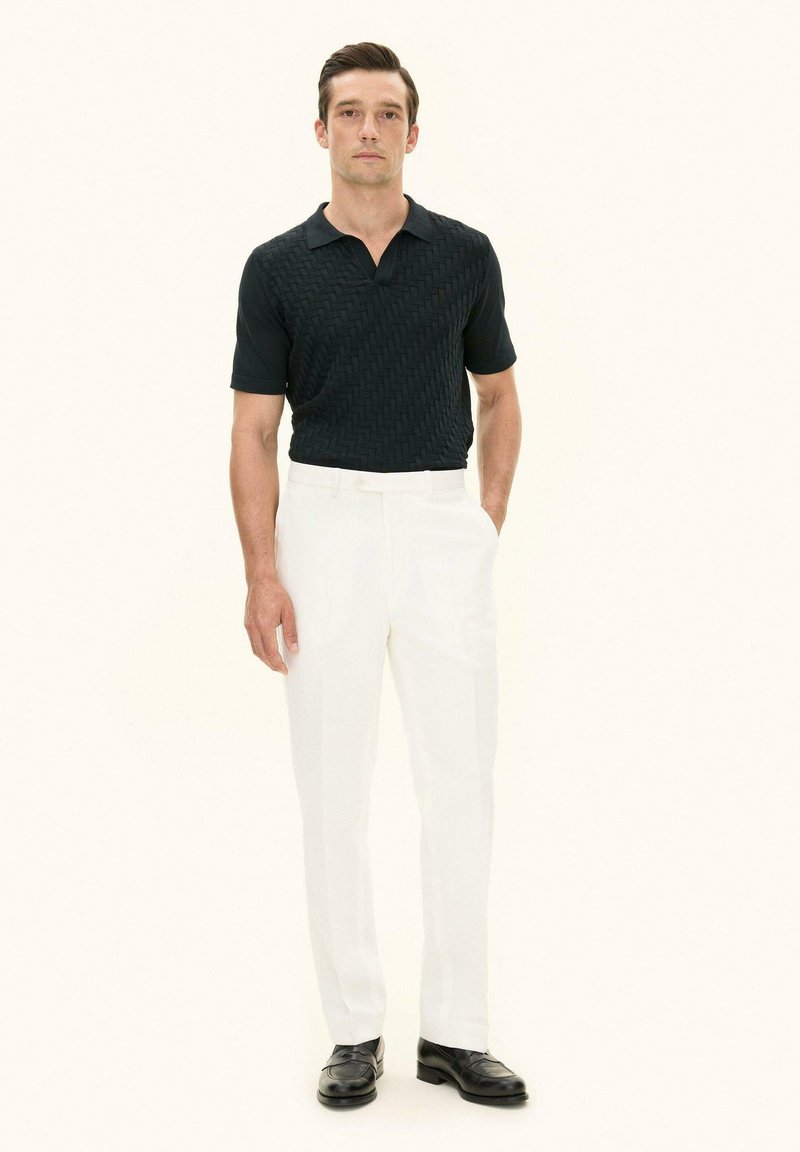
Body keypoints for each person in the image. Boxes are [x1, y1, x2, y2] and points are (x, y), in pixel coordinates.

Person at [229, 41, 527, 1108]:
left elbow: (499, 397)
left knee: (461, 782)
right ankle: (352, 1030)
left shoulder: (464, 254)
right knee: (332, 786)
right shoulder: (277, 267)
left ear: (412, 130)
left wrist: (481, 523)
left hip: (440, 521)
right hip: (326, 525)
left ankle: (456, 1032)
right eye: (349, 112)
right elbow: (253, 432)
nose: (368, 128)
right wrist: (263, 573)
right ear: (321, 130)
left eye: (386, 112)